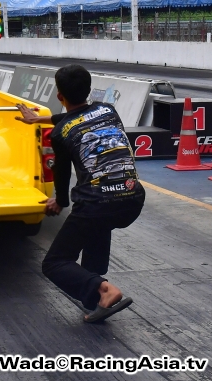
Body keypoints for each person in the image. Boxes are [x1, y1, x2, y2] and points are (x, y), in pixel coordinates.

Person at [16, 64, 144, 323]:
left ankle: (104, 290)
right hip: (133, 199)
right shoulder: (108, 110)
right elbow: (78, 118)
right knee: (98, 225)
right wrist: (37, 118)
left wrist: (59, 202)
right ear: (89, 89)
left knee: (55, 263)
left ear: (59, 95)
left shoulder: (60, 135)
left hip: (98, 202)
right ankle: (96, 301)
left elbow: (62, 175)